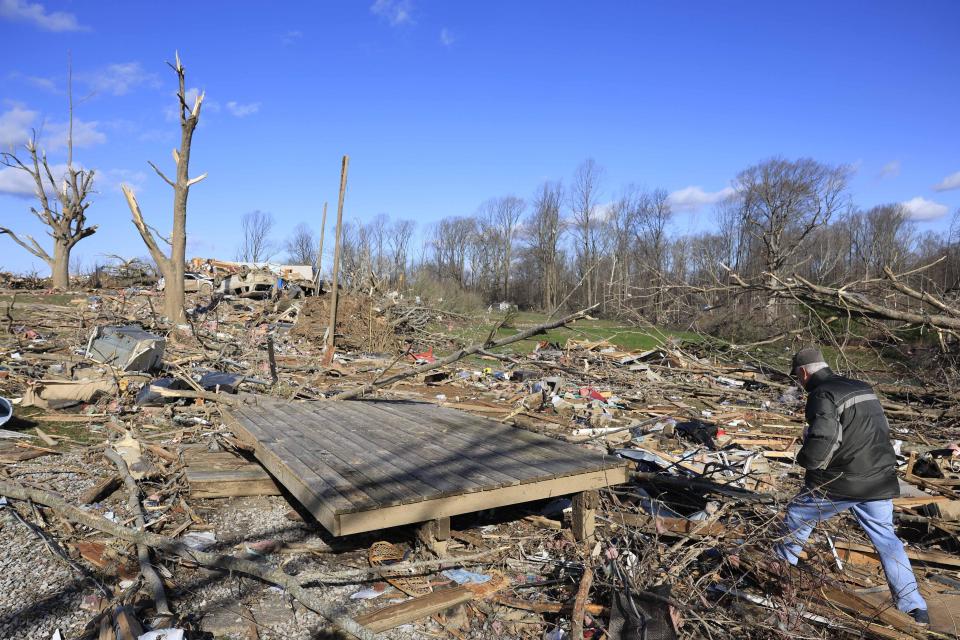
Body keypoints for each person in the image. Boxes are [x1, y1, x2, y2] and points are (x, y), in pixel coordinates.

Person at [774, 346, 928, 625]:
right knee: (887, 540)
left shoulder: (822, 394)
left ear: (804, 372)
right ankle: (914, 607)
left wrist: (805, 459)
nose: (799, 383)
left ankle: (778, 576)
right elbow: (874, 431)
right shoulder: (861, 386)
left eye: (797, 377)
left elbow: (825, 438)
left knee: (798, 515)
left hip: (843, 481)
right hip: (879, 477)